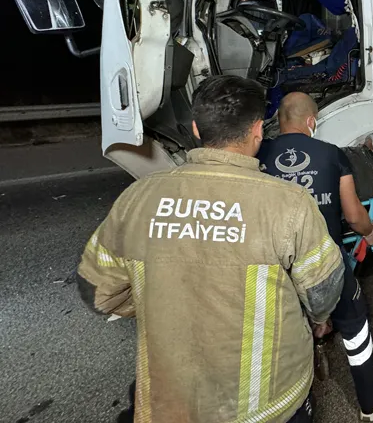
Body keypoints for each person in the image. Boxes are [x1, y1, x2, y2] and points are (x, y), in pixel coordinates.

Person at [76, 76, 345, 423]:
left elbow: (96, 292)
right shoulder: (289, 203)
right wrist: (316, 319)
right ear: (257, 131)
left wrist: (159, 297)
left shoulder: (138, 197)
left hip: (170, 403)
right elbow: (322, 291)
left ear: (196, 129)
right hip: (267, 405)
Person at [258, 92, 373, 422]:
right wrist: (371, 231)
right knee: (355, 326)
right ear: (311, 121)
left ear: (279, 121)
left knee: (282, 334)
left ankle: (292, 401)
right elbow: (354, 216)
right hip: (325, 262)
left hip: (276, 265)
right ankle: (369, 401)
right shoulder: (332, 154)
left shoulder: (259, 153)